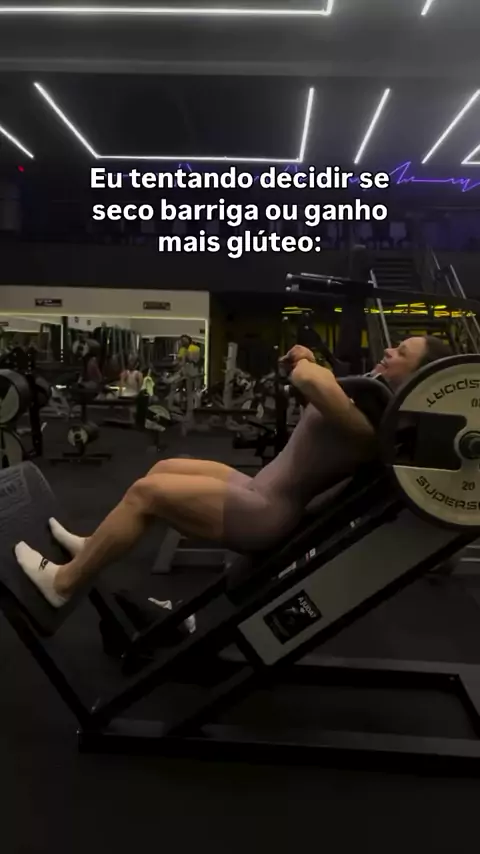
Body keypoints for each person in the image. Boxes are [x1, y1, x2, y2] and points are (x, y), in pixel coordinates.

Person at [15, 335, 452, 609]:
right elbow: (330, 386)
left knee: (147, 494)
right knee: (163, 467)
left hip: (265, 513)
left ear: (422, 378)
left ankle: (64, 584)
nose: (389, 350)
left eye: (402, 352)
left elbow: (312, 383)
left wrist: (307, 366)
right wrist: (311, 358)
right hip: (257, 488)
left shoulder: (373, 430)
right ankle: (93, 546)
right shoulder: (371, 405)